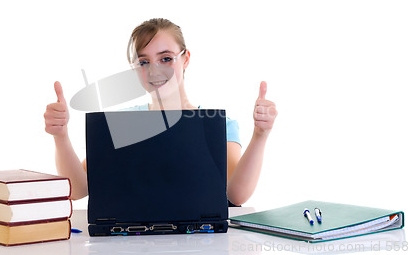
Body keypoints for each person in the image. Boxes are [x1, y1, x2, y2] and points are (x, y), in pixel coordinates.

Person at [44, 18, 278, 205]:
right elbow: (78, 189)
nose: (154, 71)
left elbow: (236, 195)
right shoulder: (125, 123)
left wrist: (260, 135)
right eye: (143, 62)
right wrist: (60, 136)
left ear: (185, 59)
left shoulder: (217, 124)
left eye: (166, 59)